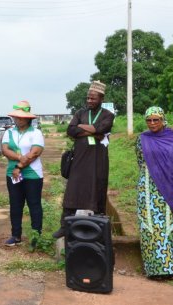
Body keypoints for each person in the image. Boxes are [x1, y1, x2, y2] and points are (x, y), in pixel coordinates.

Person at [54, 81, 115, 238]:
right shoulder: (80, 113)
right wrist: (92, 132)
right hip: (80, 158)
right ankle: (64, 226)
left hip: (98, 159)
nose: (89, 101)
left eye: (93, 98)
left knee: (98, 188)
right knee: (73, 189)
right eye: (88, 98)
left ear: (101, 98)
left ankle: (99, 228)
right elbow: (71, 130)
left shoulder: (108, 115)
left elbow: (102, 128)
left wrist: (83, 127)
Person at [136, 106, 173, 278]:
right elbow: (141, 162)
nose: (152, 123)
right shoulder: (142, 139)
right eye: (149, 120)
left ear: (163, 119)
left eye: (155, 120)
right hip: (147, 189)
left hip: (171, 189)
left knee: (168, 226)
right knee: (149, 227)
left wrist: (169, 179)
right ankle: (153, 269)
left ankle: (170, 268)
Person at [1, 101, 45, 251]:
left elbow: (35, 152)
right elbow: (5, 150)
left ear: (28, 118)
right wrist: (20, 158)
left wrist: (19, 166)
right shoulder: (9, 132)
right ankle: (16, 235)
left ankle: (35, 236)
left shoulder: (36, 133)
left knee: (34, 205)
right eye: (16, 117)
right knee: (15, 205)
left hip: (32, 174)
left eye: (21, 117)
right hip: (12, 174)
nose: (17, 119)